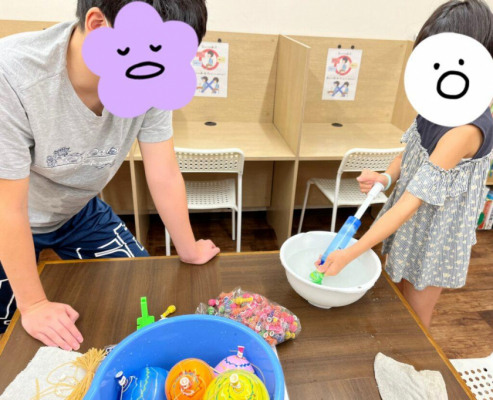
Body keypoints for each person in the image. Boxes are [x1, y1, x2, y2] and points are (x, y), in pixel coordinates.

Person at [0, 0, 219, 351]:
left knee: (140, 294)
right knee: (13, 333)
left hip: (78, 211)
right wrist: (35, 305)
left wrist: (189, 248)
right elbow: (7, 208)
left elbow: (163, 171)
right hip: (12, 215)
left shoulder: (154, 73)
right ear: (98, 24)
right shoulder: (13, 74)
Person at [316, 0, 493, 329]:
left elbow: (412, 201)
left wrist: (350, 252)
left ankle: (414, 360)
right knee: (395, 302)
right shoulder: (439, 102)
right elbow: (411, 152)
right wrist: (385, 178)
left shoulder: (464, 130)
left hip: (437, 234)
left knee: (415, 316)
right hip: (409, 221)